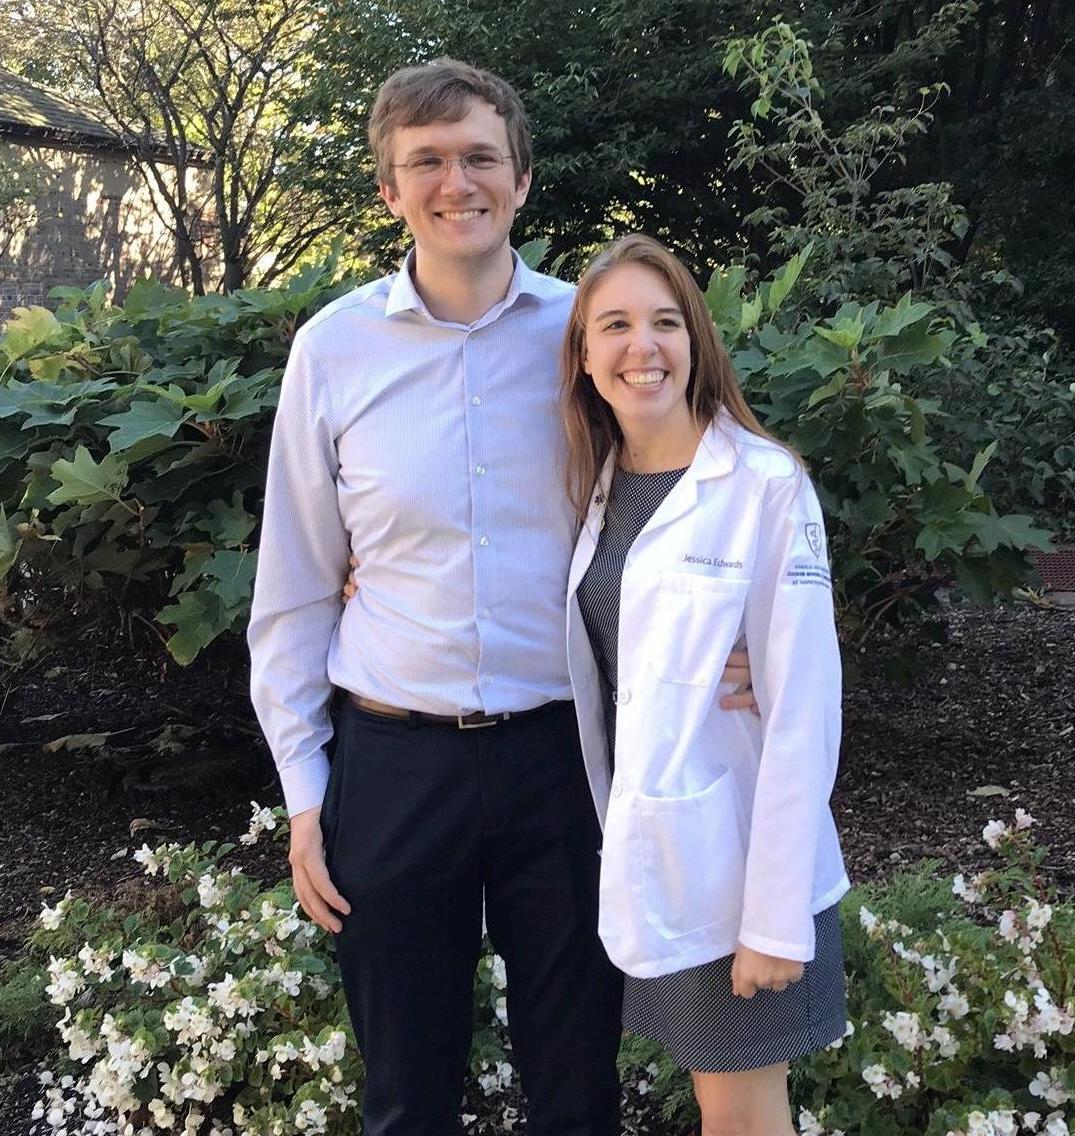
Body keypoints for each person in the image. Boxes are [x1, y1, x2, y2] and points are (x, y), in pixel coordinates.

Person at [249, 59, 754, 1136]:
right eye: (424, 162)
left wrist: (732, 640)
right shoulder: (330, 351)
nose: (454, 181)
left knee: (576, 1084)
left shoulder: (595, 337)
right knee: (404, 1091)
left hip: (562, 757)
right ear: (388, 191)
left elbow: (694, 507)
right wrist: (304, 790)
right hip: (393, 761)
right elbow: (293, 590)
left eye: (479, 156)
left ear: (521, 178)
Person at [561, 235, 850, 1136]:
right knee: (713, 1099)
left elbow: (805, 708)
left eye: (664, 322)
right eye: (614, 325)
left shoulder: (764, 484)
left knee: (744, 1115)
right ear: (583, 355)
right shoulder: (597, 486)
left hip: (740, 868)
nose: (641, 346)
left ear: (696, 342)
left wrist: (772, 919)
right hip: (658, 856)